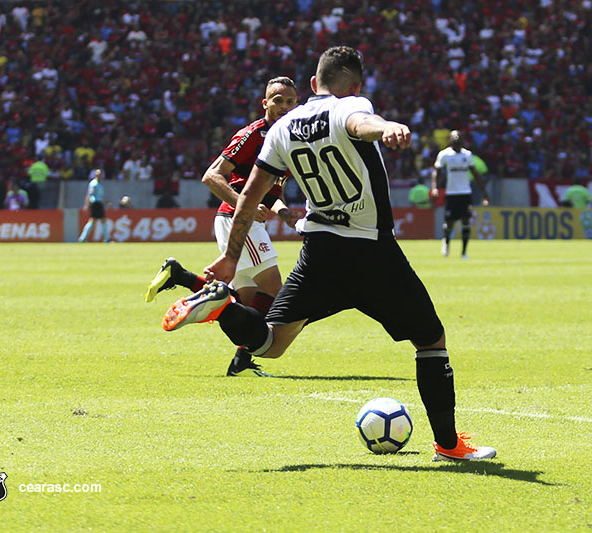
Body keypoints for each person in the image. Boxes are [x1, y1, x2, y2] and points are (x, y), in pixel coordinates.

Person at [162, 46, 496, 462]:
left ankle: (222, 308)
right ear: (355, 86)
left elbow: (249, 194)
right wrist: (386, 125)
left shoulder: (283, 128)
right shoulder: (349, 106)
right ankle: (449, 445)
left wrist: (231, 257)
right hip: (373, 254)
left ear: (313, 85)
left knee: (269, 344)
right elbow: (361, 122)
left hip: (318, 253)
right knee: (431, 341)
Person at [145, 76, 300, 378]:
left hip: (243, 219)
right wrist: (246, 205)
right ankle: (242, 351)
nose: (283, 106)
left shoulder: (287, 138)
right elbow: (212, 176)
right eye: (277, 100)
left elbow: (273, 192)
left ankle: (185, 278)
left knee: (244, 301)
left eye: (289, 101)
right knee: (276, 293)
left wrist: (283, 213)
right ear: (264, 103)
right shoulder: (254, 135)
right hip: (236, 220)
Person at [431, 130, 490, 259]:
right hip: (452, 193)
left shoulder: (467, 155)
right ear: (450, 140)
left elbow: (475, 174)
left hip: (465, 193)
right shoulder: (444, 154)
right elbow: (437, 172)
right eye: (454, 138)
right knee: (450, 223)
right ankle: (446, 243)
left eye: (458, 138)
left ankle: (464, 252)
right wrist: (435, 188)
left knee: (465, 221)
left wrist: (484, 193)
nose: (456, 140)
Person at [78, 169, 111, 242]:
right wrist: (86, 204)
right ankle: (107, 239)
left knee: (94, 221)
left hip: (100, 203)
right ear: (95, 175)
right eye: (97, 174)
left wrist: (107, 202)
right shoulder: (93, 184)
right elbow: (89, 194)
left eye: (100, 175)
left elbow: (103, 196)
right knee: (98, 220)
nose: (99, 176)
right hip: (95, 204)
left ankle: (82, 238)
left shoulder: (101, 186)